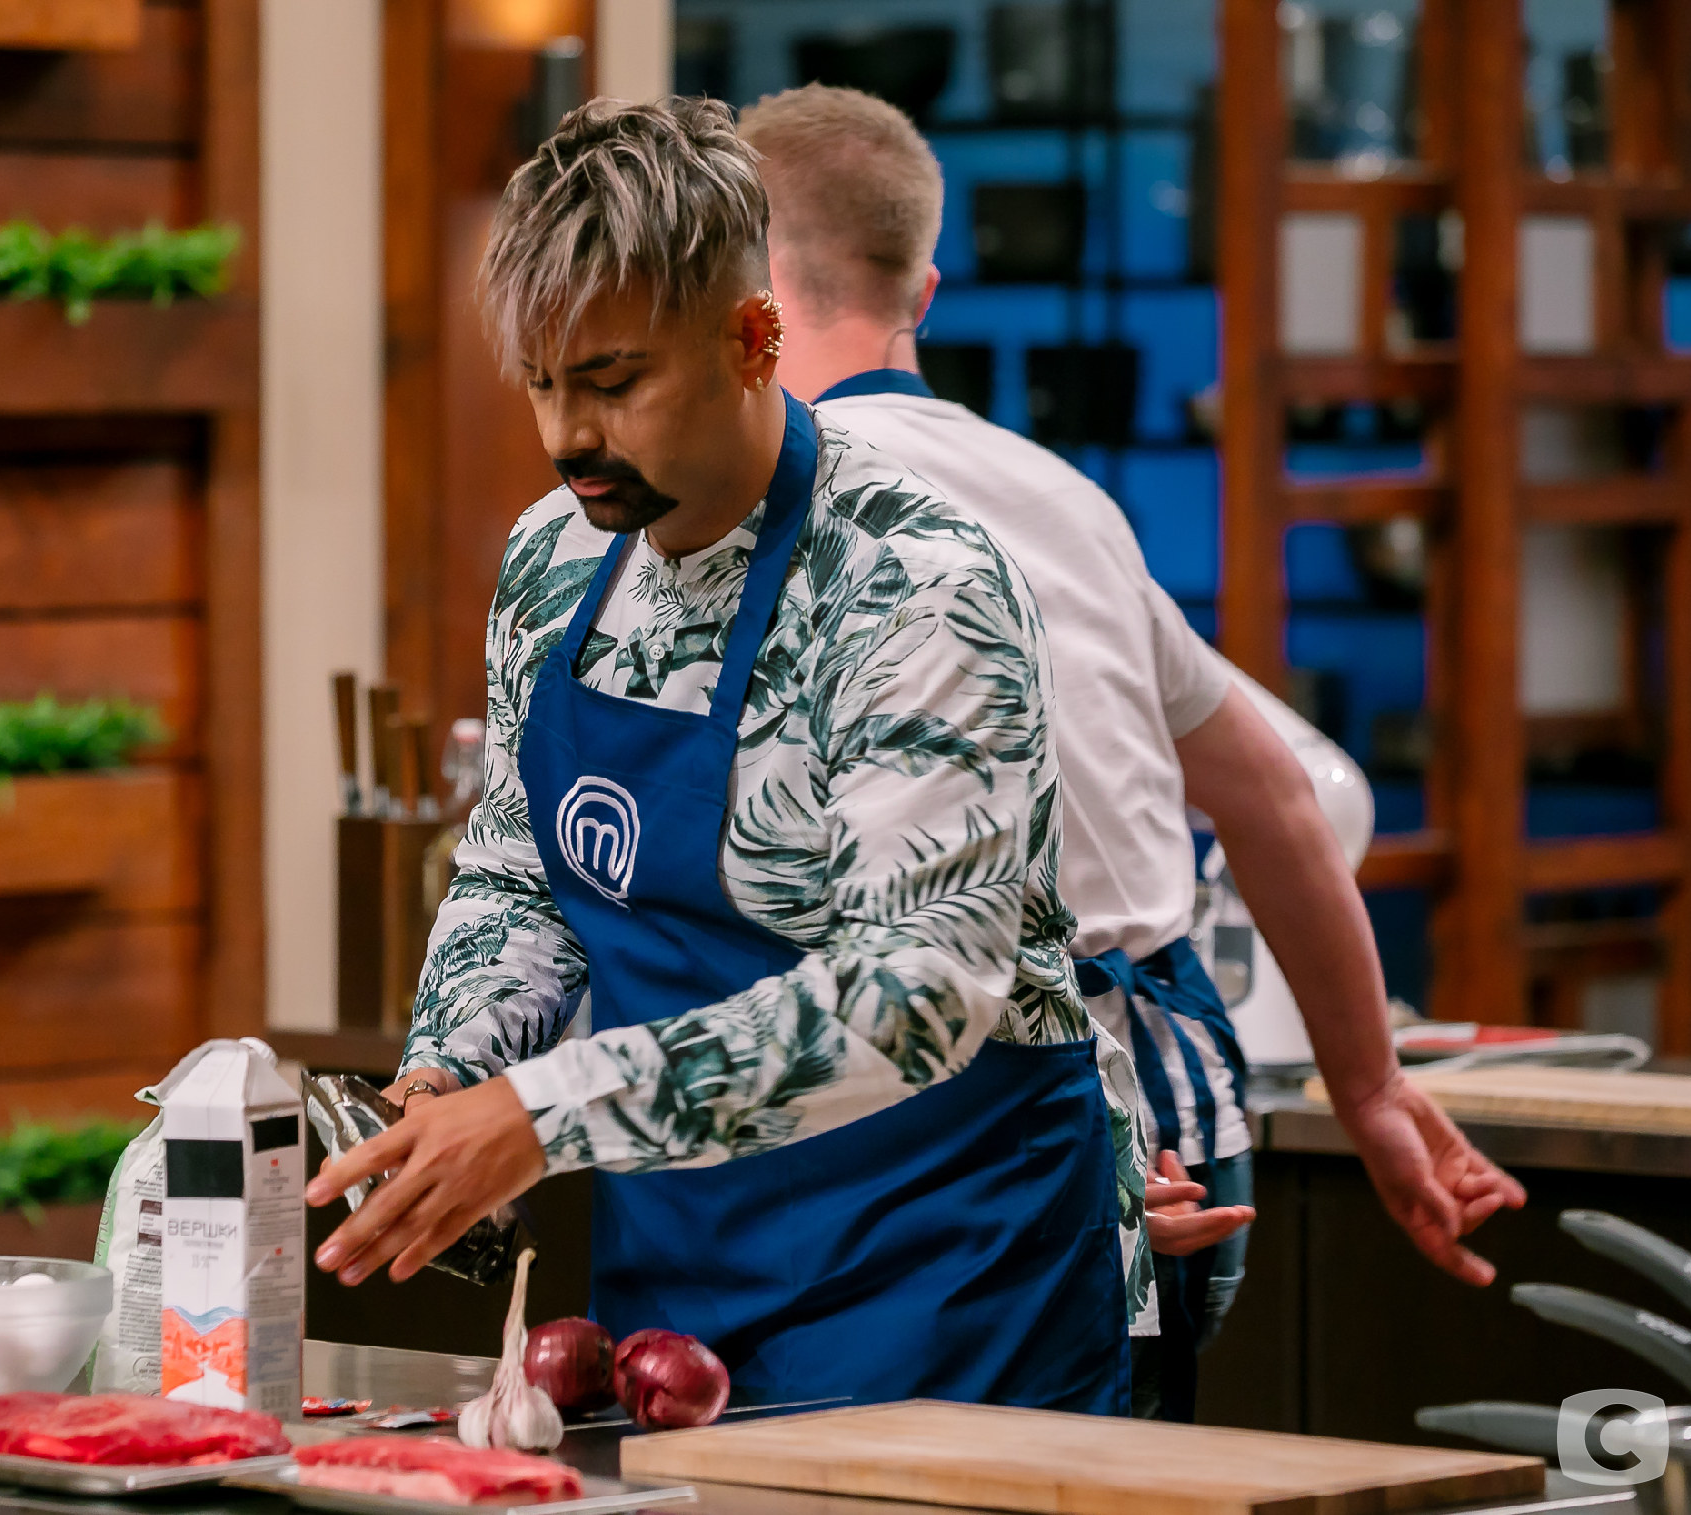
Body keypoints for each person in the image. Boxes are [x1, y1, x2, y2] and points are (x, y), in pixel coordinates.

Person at [307, 95, 1150, 1413]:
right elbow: (524, 873)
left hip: (954, 1272)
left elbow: (922, 988)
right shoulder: (553, 559)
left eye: (613, 384)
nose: (565, 437)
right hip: (686, 1277)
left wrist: (546, 1114)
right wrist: (450, 1072)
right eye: (541, 382)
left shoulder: (913, 586)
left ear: (753, 338)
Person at [735, 83, 1526, 1419]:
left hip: (1008, 1126)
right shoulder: (1066, 499)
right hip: (1188, 1107)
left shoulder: (774, 507)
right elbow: (1274, 796)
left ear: (734, 293)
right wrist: (1375, 1093)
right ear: (926, 287)